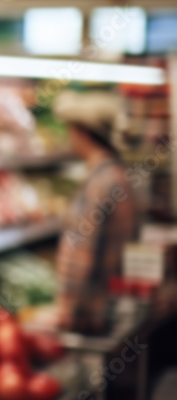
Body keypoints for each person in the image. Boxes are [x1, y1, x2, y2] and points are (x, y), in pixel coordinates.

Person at [53, 89, 137, 334]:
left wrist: (67, 311)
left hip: (90, 313)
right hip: (109, 305)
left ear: (83, 132)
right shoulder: (117, 176)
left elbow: (82, 252)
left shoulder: (101, 183)